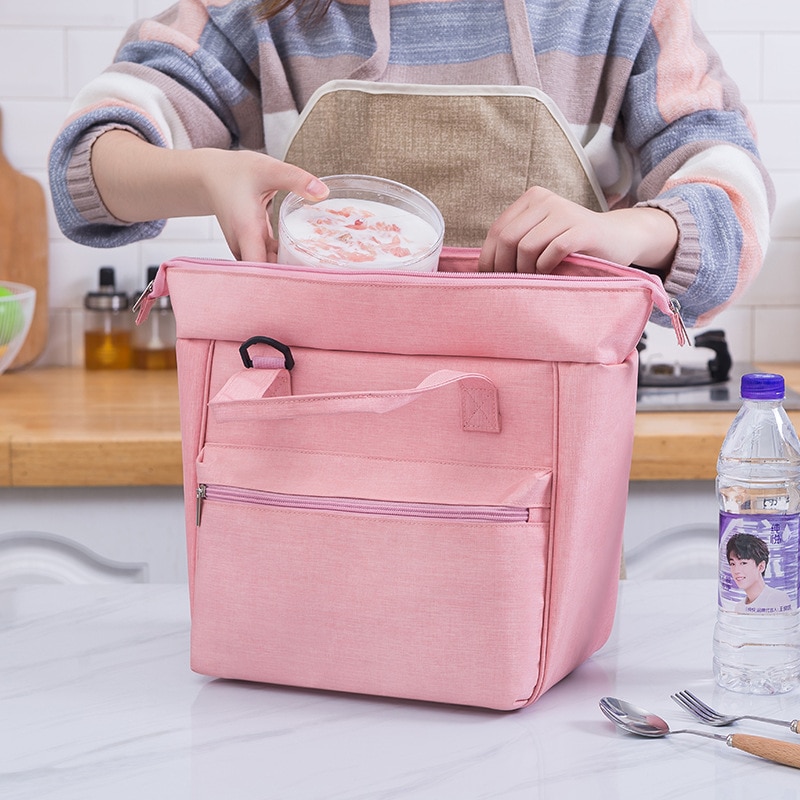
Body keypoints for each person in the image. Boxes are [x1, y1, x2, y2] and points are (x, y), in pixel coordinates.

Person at [48, 0, 773, 328]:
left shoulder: (619, 12)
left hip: (548, 449)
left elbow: (732, 194)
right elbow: (89, 164)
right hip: (314, 439)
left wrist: (638, 232)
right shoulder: (261, 18)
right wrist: (208, 176)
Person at [726, 533, 794, 613]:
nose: (736, 570)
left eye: (743, 563)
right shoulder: (740, 607)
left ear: (761, 566)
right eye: (732, 564)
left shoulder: (777, 598)